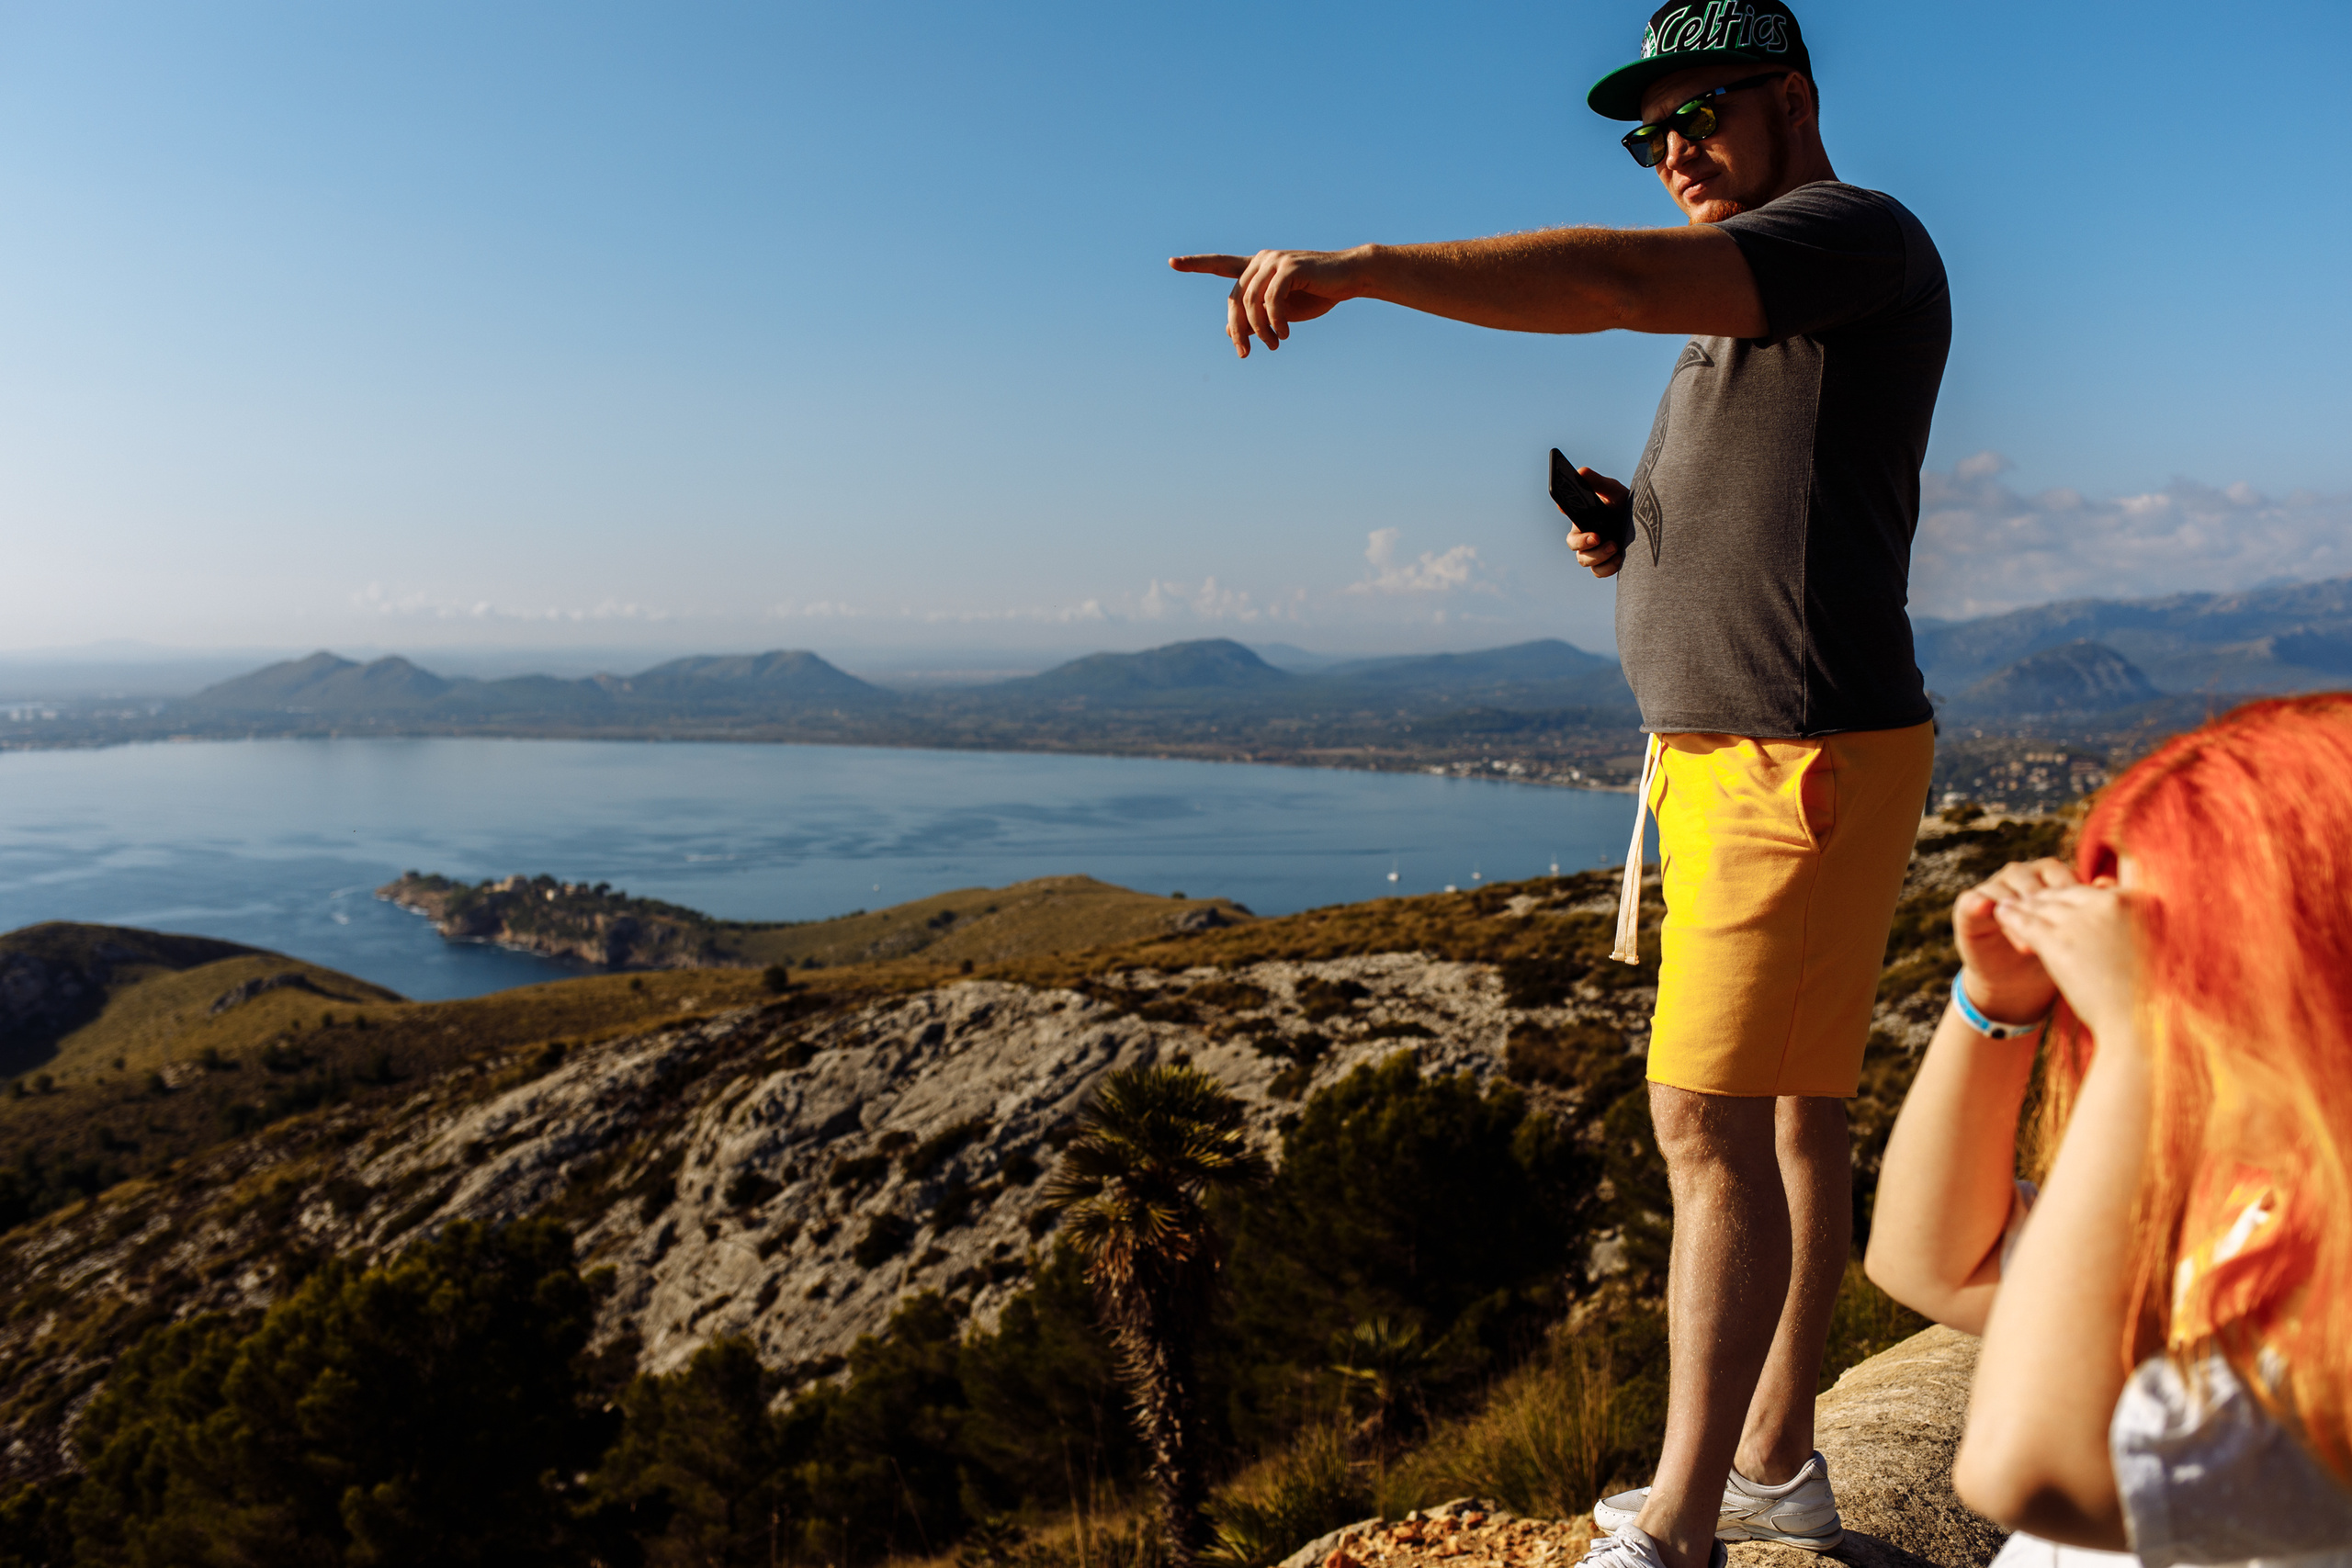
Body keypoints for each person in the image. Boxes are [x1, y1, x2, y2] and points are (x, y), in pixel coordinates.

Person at [1172, 6, 1947, 1567]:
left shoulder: (1851, 233)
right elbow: (1758, 508)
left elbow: (1604, 280)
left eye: (1699, 115)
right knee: (1792, 1116)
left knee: (1702, 1124)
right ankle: (1779, 1465)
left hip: (1791, 755)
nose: (1672, 152)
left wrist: (1362, 268)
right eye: (1646, 133)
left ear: (1790, 97)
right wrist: (1627, 533)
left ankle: (1677, 1527)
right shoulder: (1750, 307)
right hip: (1755, 749)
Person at [1866, 693, 2352, 1566]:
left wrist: (2138, 1040)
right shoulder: (2248, 1198)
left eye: (2170, 939)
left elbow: (2029, 1466)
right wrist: (2000, 1006)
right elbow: (1932, 1261)